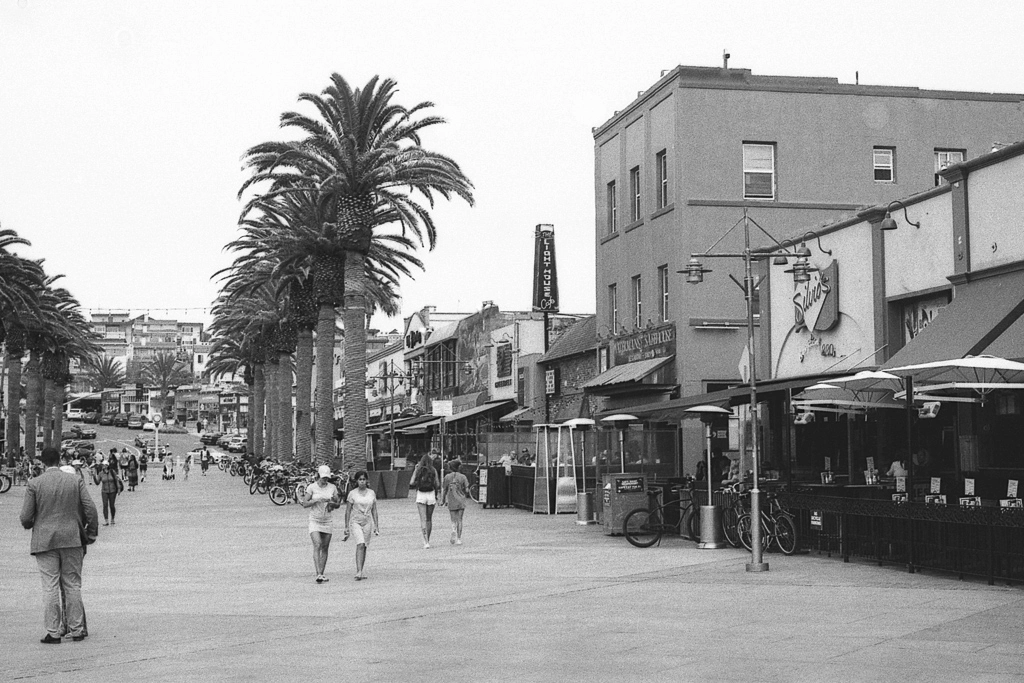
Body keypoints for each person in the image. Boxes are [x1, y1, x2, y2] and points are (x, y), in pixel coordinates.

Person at [19, 446, 99, 644]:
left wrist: (31, 524)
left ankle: (54, 632)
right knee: (72, 584)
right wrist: (90, 533)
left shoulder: (35, 483)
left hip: (45, 542)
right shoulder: (75, 480)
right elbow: (90, 508)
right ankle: (77, 629)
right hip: (72, 539)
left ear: (43, 462)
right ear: (60, 459)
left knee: (50, 586)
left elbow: (26, 516)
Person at [300, 465, 341, 583]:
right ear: (318, 476)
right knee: (317, 544)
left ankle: (322, 573)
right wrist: (316, 500)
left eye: (327, 478)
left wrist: (332, 503)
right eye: (323, 478)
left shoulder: (332, 487)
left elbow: (337, 503)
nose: (325, 480)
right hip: (315, 520)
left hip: (327, 520)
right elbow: (304, 503)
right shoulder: (311, 487)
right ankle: (318, 573)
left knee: (325, 547)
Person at [343, 470, 379, 580]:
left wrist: (376, 525)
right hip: (356, 521)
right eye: (360, 480)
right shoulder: (352, 494)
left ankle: (361, 570)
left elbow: (374, 510)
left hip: (367, 521)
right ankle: (358, 571)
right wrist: (346, 526)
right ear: (357, 481)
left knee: (364, 546)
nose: (362, 482)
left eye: (364, 479)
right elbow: (348, 510)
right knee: (360, 543)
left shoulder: (371, 493)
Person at [411, 453, 440, 548]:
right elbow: (437, 484)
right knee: (429, 519)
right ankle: (428, 539)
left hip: (421, 495)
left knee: (423, 519)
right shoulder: (433, 470)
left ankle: (425, 541)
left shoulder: (419, 470)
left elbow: (411, 482)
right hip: (431, 494)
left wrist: (415, 470)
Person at [441, 459, 470, 545]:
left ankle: (453, 529)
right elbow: (467, 490)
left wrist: (443, 500)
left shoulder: (447, 477)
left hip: (451, 499)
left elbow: (444, 490)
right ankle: (459, 539)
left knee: (453, 519)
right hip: (460, 499)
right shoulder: (463, 477)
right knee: (460, 519)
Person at [92, 461, 121, 526]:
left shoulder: (112, 472)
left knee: (112, 505)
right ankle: (106, 520)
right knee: (105, 505)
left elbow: (116, 480)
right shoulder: (100, 473)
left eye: (104, 465)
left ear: (107, 466)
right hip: (104, 491)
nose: (102, 466)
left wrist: (118, 488)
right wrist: (94, 476)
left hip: (112, 491)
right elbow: (97, 482)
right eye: (102, 465)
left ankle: (112, 518)